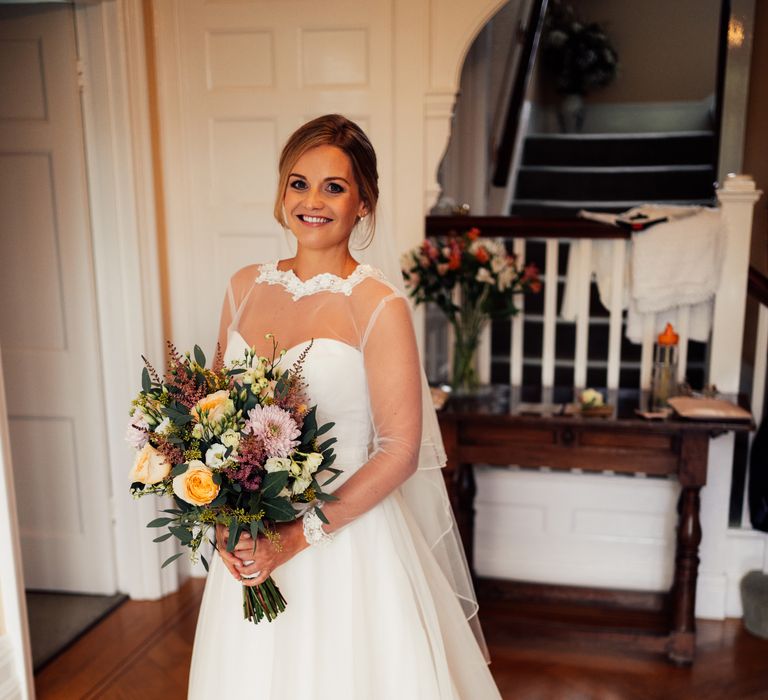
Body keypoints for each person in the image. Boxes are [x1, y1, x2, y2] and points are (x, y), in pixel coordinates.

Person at [187, 114, 501, 699]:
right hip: (250, 542)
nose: (313, 201)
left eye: (334, 187)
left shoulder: (377, 304)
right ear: (282, 193)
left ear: (363, 203)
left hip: (347, 545)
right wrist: (229, 519)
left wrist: (297, 537)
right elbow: (211, 419)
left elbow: (401, 450)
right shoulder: (243, 287)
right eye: (298, 183)